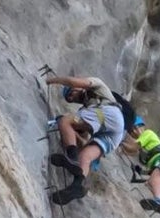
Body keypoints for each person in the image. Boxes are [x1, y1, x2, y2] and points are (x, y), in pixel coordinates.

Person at [44, 74, 127, 205]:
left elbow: (72, 81)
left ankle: (71, 158)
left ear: (77, 88)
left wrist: (53, 80)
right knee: (85, 156)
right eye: (69, 100)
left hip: (109, 113)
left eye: (71, 93)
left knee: (65, 121)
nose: (71, 98)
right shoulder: (86, 110)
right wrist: (78, 140)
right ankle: (77, 185)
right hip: (113, 134)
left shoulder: (97, 85)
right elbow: (83, 140)